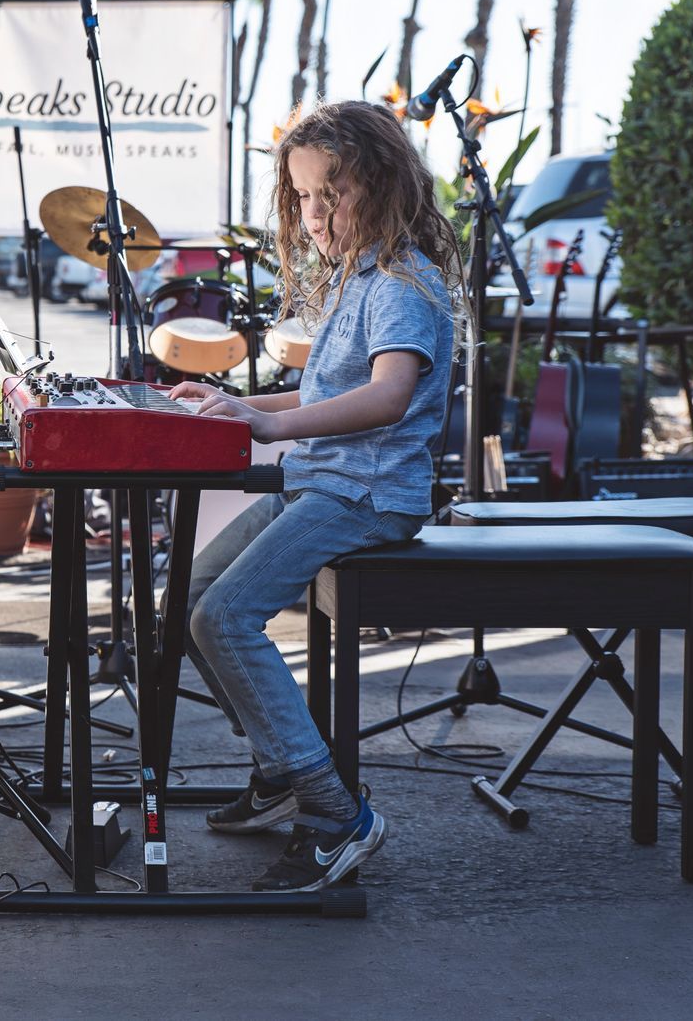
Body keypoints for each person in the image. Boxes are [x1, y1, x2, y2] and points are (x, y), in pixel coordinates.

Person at [169, 100, 460, 891]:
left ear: (384, 184)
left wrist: (262, 430)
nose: (315, 213)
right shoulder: (359, 279)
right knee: (190, 594)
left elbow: (387, 397)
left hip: (367, 496)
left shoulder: (401, 283)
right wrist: (239, 403)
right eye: (302, 197)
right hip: (323, 482)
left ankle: (335, 811)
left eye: (332, 193)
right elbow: (321, 392)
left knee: (222, 617)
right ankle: (276, 767)